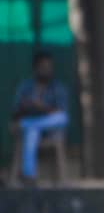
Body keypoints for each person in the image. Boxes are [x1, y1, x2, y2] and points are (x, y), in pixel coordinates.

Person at [11, 50, 69, 186]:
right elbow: (15, 113)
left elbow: (61, 112)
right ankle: (29, 176)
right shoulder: (25, 87)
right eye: (43, 68)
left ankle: (31, 124)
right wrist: (25, 107)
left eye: (49, 67)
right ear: (35, 68)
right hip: (31, 128)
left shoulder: (57, 87)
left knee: (62, 117)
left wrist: (41, 107)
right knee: (31, 132)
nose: (46, 71)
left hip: (51, 127)